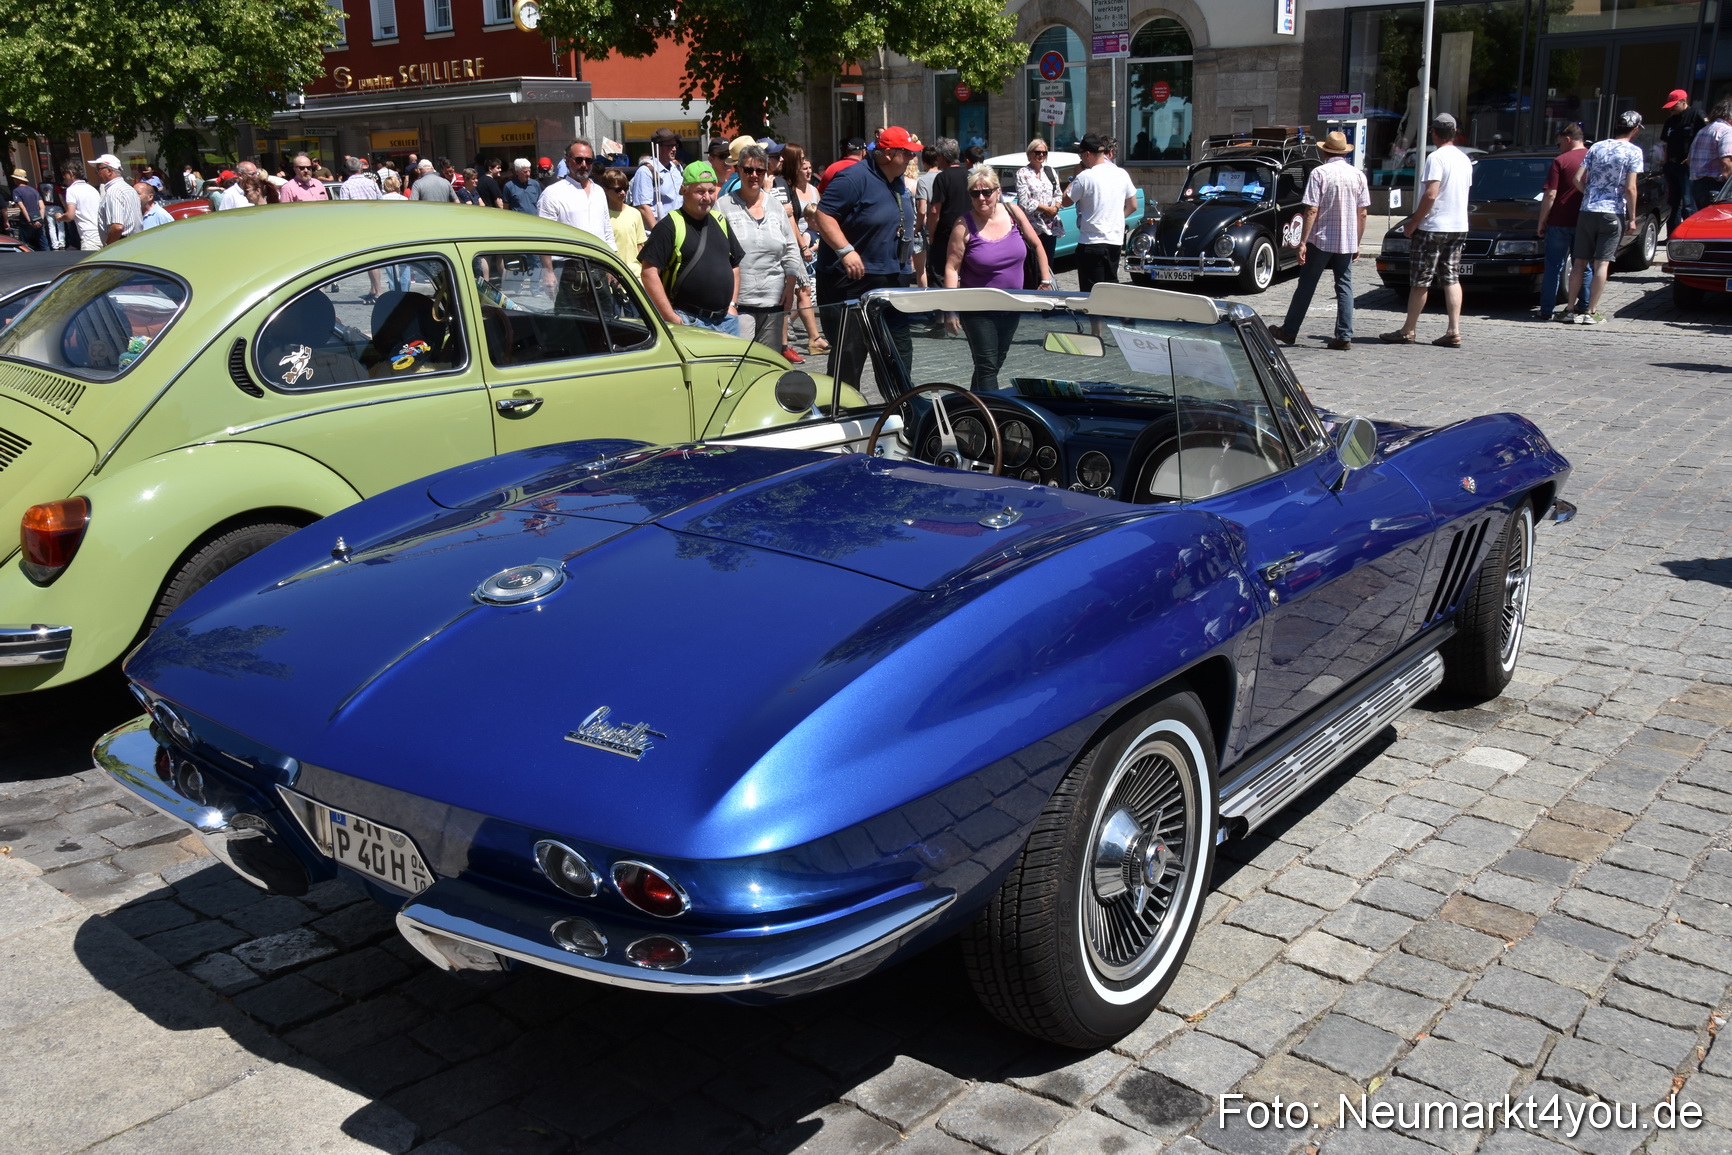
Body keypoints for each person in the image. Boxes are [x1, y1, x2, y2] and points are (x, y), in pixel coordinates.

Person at [813, 126, 919, 383]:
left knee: (898, 351)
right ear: (888, 154)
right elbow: (823, 215)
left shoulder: (897, 180)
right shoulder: (853, 178)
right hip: (852, 282)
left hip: (892, 278)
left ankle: (899, 403)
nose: (912, 158)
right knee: (849, 355)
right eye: (907, 153)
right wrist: (845, 250)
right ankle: (843, 405)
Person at [942, 165, 1052, 391]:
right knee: (987, 366)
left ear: (998, 191)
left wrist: (1045, 280)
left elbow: (1037, 244)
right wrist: (950, 310)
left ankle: (972, 405)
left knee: (995, 362)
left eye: (986, 192)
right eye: (975, 193)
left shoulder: (1013, 212)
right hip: (977, 309)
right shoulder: (963, 225)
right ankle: (992, 411)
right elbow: (952, 268)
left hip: (1012, 305)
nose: (981, 198)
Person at [1267, 131, 1368, 351]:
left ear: (1325, 152)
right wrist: (1357, 242)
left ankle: (1289, 330)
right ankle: (1344, 335)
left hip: (1321, 238)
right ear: (1344, 152)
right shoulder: (1358, 175)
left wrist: (1303, 242)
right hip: (1346, 240)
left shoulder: (1319, 173)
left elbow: (1312, 210)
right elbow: (1362, 213)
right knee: (1345, 286)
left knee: (1307, 285)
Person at [1380, 114, 1472, 347]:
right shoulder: (1464, 159)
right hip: (1458, 225)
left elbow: (1431, 194)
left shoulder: (1436, 158)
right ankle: (1454, 330)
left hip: (1434, 226)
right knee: (1451, 278)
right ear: (1454, 133)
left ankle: (1408, 330)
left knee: (1421, 280)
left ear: (1434, 133)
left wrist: (1414, 222)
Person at [640, 161, 746, 335]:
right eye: (700, 191)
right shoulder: (669, 226)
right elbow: (649, 273)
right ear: (684, 190)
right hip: (689, 321)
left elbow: (735, 264)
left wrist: (732, 305)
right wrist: (670, 316)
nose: (707, 197)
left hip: (727, 321)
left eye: (711, 191)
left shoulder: (720, 221)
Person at [719, 144, 804, 354]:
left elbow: (791, 249)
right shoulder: (723, 206)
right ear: (739, 171)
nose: (754, 175)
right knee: (742, 360)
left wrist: (790, 286)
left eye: (760, 170)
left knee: (768, 361)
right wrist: (728, 302)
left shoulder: (775, 206)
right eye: (748, 170)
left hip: (774, 300)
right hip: (739, 303)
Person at [1565, 110, 1644, 326]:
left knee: (1579, 262)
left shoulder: (1597, 146)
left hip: (1588, 210)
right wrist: (1632, 218)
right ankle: (1591, 311)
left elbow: (1577, 179)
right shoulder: (1634, 152)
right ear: (1635, 130)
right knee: (1602, 263)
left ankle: (1570, 309)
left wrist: (1589, 194)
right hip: (1612, 211)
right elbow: (1630, 188)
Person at [1062, 132, 1138, 291]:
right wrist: (1116, 218)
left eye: (1081, 155)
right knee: (1110, 290)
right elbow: (1133, 205)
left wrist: (1074, 178)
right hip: (1114, 241)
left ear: (1087, 154)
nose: (1081, 159)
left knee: (1091, 293)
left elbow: (1065, 201)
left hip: (1091, 241)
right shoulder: (1121, 173)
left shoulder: (1085, 176)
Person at [1535, 123, 1591, 321]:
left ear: (1568, 139)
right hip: (1584, 219)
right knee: (1583, 264)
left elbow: (1550, 194)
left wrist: (1542, 221)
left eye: (1559, 143)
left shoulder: (1561, 160)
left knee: (1553, 266)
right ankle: (1584, 306)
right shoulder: (1593, 157)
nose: (1559, 147)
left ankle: (1547, 309)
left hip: (1559, 220)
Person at [779, 144, 828, 355]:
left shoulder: (811, 189)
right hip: (795, 243)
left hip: (804, 243)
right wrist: (803, 246)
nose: (806, 166)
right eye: (801, 160)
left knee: (803, 290)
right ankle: (806, 337)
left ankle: (809, 337)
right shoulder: (785, 185)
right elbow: (791, 219)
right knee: (801, 290)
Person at [538, 139, 614, 246]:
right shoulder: (552, 193)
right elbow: (546, 237)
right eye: (579, 160)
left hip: (600, 255)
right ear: (568, 161)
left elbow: (607, 230)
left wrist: (613, 252)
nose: (584, 165)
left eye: (588, 160)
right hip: (568, 256)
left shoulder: (599, 191)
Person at [1015, 137, 1065, 277]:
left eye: (1044, 152)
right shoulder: (1022, 173)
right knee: (1033, 265)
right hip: (1032, 226)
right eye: (1037, 152)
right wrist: (1046, 209)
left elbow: (1058, 193)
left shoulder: (1050, 171)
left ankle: (1048, 284)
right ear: (1030, 153)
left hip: (1050, 226)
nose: (1041, 155)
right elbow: (1024, 201)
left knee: (1048, 263)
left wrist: (1055, 208)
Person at [924, 138, 970, 287]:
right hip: (968, 232)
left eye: (938, 156)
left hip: (945, 235)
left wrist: (931, 233)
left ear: (943, 157)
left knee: (939, 275)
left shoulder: (942, 178)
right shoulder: (970, 175)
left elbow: (934, 210)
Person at [1660, 89, 1705, 234]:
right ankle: (1673, 235)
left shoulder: (1696, 115)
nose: (1671, 109)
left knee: (1688, 203)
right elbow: (1666, 143)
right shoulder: (1670, 121)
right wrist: (1665, 163)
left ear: (1683, 101)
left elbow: (1705, 139)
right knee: (1672, 204)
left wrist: (1693, 158)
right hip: (1671, 166)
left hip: (1687, 166)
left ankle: (1690, 236)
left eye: (1674, 105)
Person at [630, 127, 683, 230]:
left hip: (679, 228)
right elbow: (643, 207)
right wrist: (658, 233)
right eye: (669, 146)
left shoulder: (677, 167)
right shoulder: (646, 171)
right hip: (660, 230)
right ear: (657, 147)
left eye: (675, 145)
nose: (674, 149)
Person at [1688, 97, 1732, 216]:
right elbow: (1727, 163)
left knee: (1705, 220)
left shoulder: (1703, 130)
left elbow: (1689, 160)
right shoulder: (1727, 131)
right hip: (1718, 188)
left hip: (1698, 186)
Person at [599, 168, 646, 278]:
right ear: (605, 190)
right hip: (613, 274)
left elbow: (640, 245)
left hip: (635, 274)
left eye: (625, 188)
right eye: (618, 189)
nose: (623, 193)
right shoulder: (602, 216)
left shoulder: (635, 213)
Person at [91, 154, 142, 245]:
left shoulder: (113, 192)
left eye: (98, 170)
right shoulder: (129, 189)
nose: (97, 174)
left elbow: (117, 227)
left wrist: (108, 246)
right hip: (135, 243)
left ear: (109, 171)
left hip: (122, 246)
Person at [58, 162, 101, 249]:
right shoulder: (92, 189)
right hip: (101, 234)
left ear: (70, 173)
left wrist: (60, 217)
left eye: (64, 174)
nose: (63, 178)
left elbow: (70, 215)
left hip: (89, 237)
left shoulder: (71, 190)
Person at [9, 169, 47, 250]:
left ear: (17, 179)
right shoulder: (34, 190)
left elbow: (22, 207)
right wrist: (40, 220)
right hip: (38, 219)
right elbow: (42, 206)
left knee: (23, 245)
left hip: (26, 221)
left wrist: (30, 221)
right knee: (43, 243)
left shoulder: (16, 191)